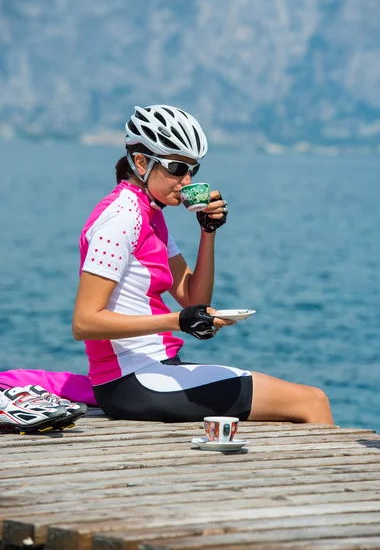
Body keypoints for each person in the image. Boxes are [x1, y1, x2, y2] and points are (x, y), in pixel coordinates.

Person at [72, 104, 334, 425]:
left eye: (192, 170)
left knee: (299, 404)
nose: (186, 180)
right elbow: (84, 323)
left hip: (157, 369)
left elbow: (195, 302)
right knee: (312, 402)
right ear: (141, 162)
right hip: (131, 381)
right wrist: (177, 321)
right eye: (176, 168)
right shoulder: (121, 219)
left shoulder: (151, 216)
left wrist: (207, 231)